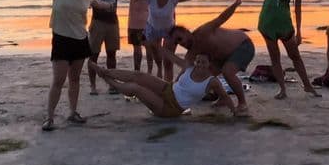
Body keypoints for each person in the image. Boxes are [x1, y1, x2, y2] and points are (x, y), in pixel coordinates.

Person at [28, 0, 112, 131]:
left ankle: (73, 112)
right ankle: (49, 117)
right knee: (58, 80)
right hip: (62, 40)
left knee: (75, 79)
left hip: (80, 41)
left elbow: (100, 5)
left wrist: (110, 6)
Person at [114, 0, 225, 82]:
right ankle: (158, 72)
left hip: (169, 31)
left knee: (168, 61)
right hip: (152, 29)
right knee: (156, 55)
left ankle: (168, 85)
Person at [170, 0, 254, 116]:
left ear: (187, 32)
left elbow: (222, 18)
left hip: (243, 45)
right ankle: (222, 99)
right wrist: (172, 92)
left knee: (227, 71)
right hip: (223, 57)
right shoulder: (192, 53)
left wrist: (235, 4)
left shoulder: (203, 31)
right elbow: (183, 75)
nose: (181, 43)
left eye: (180, 38)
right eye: (177, 42)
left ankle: (242, 103)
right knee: (208, 73)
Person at [88, 50, 236, 117]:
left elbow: (225, 97)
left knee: (135, 88)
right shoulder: (189, 67)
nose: (199, 64)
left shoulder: (213, 81)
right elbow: (172, 57)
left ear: (209, 64)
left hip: (171, 108)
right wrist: (162, 49)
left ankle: (106, 79)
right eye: (198, 61)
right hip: (167, 88)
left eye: (203, 62)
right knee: (139, 75)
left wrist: (234, 111)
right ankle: (104, 71)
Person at [87, 0, 123, 95]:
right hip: (97, 22)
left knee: (111, 54)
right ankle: (92, 85)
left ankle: (112, 85)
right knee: (93, 55)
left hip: (113, 22)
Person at [120, 0, 155, 75]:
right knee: (148, 46)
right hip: (148, 18)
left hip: (136, 20)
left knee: (137, 47)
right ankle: (150, 71)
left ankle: (137, 72)